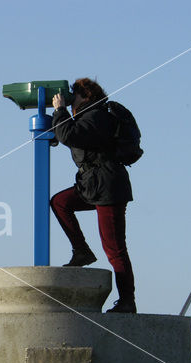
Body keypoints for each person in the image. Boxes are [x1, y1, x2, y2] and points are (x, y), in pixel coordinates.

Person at [50, 78, 136, 314]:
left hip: (107, 187)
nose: (71, 98)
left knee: (114, 248)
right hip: (93, 185)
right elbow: (70, 135)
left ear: (86, 96)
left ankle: (127, 301)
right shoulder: (89, 117)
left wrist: (59, 110)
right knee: (59, 202)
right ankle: (82, 251)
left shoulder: (97, 116)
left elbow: (70, 135)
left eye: (74, 94)